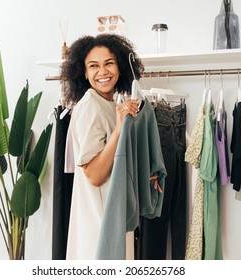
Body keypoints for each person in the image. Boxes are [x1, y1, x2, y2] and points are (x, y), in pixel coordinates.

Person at [60, 33, 144, 259]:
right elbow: (95, 175)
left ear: (119, 66)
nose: (103, 72)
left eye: (109, 63)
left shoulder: (110, 104)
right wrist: (118, 129)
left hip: (111, 217)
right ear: (84, 73)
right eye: (93, 66)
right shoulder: (90, 107)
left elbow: (117, 161)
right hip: (99, 225)